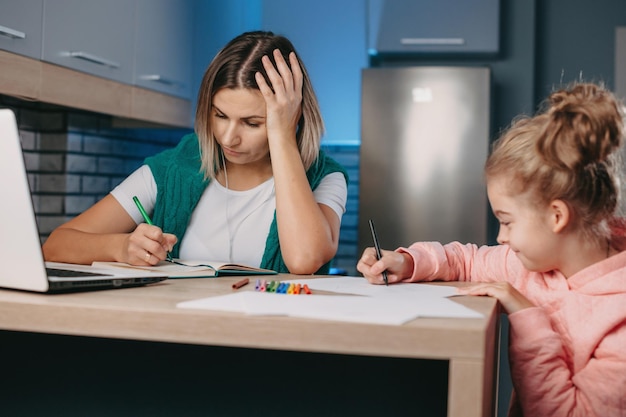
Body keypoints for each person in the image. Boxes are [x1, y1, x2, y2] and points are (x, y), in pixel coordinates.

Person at [357, 82, 626, 416]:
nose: (500, 237)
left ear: (557, 216)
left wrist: (528, 317)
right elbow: (466, 260)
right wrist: (408, 261)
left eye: (508, 221)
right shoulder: (535, 263)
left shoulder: (619, 318)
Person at [43, 31, 348, 275]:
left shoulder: (325, 176)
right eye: (219, 115)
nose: (229, 137)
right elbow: (56, 245)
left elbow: (304, 259)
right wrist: (122, 247)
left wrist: (282, 134)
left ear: (293, 116)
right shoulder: (176, 165)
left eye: (252, 123)